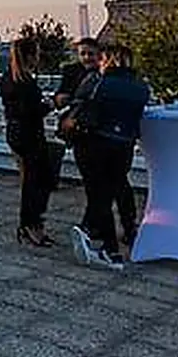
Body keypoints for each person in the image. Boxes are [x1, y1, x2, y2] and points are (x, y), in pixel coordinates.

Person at [67, 41, 149, 271]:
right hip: (124, 146)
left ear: (109, 59)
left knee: (98, 194)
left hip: (95, 143)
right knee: (113, 189)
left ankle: (106, 245)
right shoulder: (141, 87)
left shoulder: (98, 82)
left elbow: (79, 106)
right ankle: (109, 240)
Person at [55, 37, 137, 242]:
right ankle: (105, 229)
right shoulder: (134, 83)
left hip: (99, 137)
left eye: (91, 54)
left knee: (107, 187)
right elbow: (62, 96)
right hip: (102, 138)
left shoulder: (102, 80)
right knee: (104, 186)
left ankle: (105, 234)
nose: (87, 58)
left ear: (102, 56)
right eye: (82, 53)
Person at [0, 36, 56, 248]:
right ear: (31, 55)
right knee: (38, 181)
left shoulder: (9, 78)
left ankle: (31, 223)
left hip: (17, 133)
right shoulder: (24, 82)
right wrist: (50, 105)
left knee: (33, 179)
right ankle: (31, 224)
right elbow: (29, 112)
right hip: (28, 135)